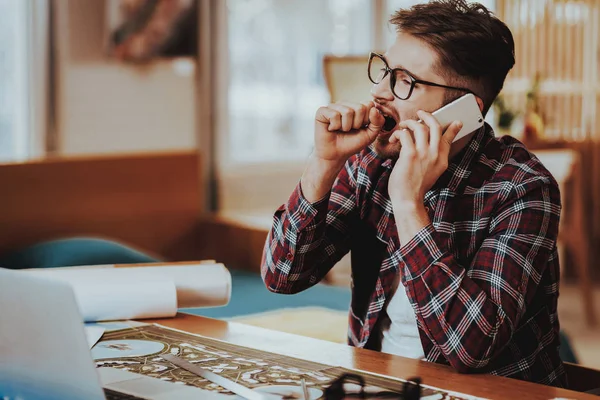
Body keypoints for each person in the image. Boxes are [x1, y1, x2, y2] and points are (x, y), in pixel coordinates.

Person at [261, 0, 566, 388]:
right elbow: (282, 276)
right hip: (377, 383)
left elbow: (473, 348)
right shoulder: (370, 163)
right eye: (385, 71)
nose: (378, 92)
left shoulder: (522, 188)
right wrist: (323, 164)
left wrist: (408, 204)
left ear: (463, 111)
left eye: (404, 80)